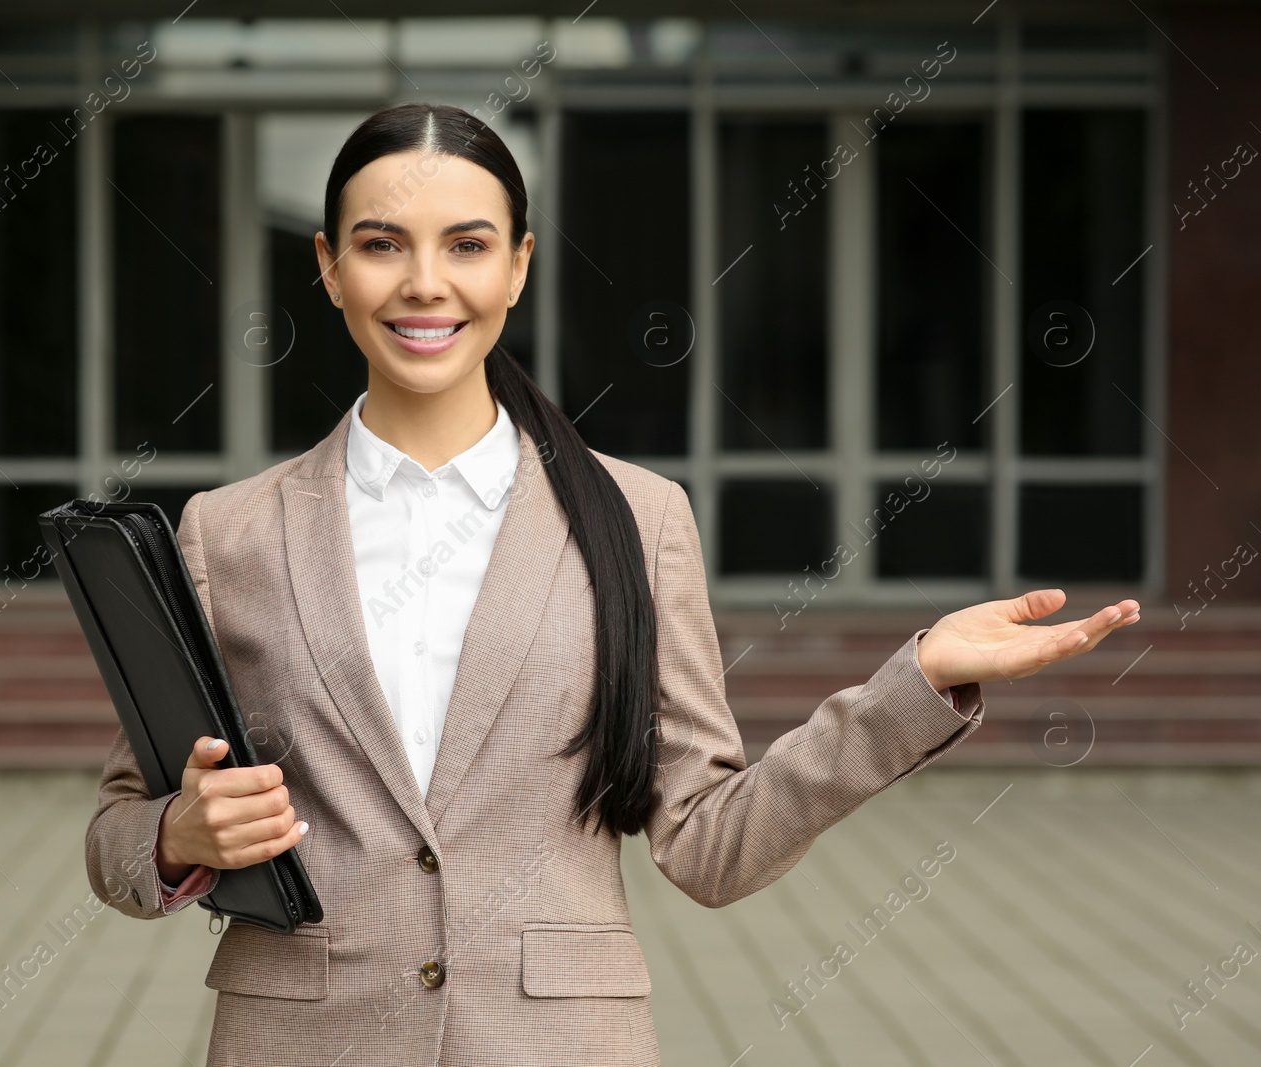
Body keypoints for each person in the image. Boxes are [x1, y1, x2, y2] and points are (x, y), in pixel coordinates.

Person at [84, 101, 1140, 1066]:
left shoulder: (637, 518)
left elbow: (710, 843)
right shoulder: (228, 533)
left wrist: (910, 686)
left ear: (518, 266)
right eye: (380, 245)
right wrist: (179, 836)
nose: (423, 283)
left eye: (467, 245)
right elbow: (119, 825)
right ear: (326, 265)